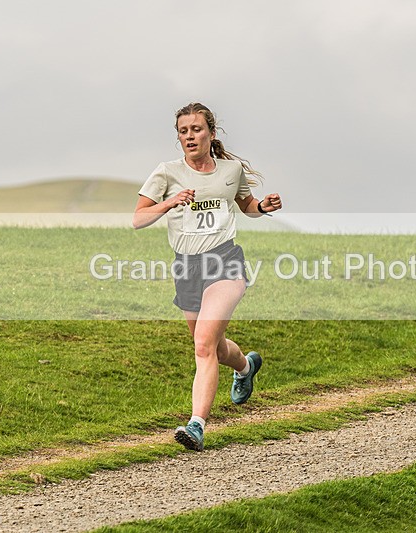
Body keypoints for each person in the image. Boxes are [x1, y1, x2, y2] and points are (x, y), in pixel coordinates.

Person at [133, 102, 282, 450]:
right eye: (183, 131)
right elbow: (138, 218)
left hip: (225, 262)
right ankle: (245, 366)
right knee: (212, 347)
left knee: (203, 345)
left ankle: (196, 424)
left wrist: (263, 207)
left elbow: (245, 205)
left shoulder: (230, 170)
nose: (189, 137)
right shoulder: (166, 173)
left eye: (196, 130)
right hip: (186, 267)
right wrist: (168, 204)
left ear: (211, 134)